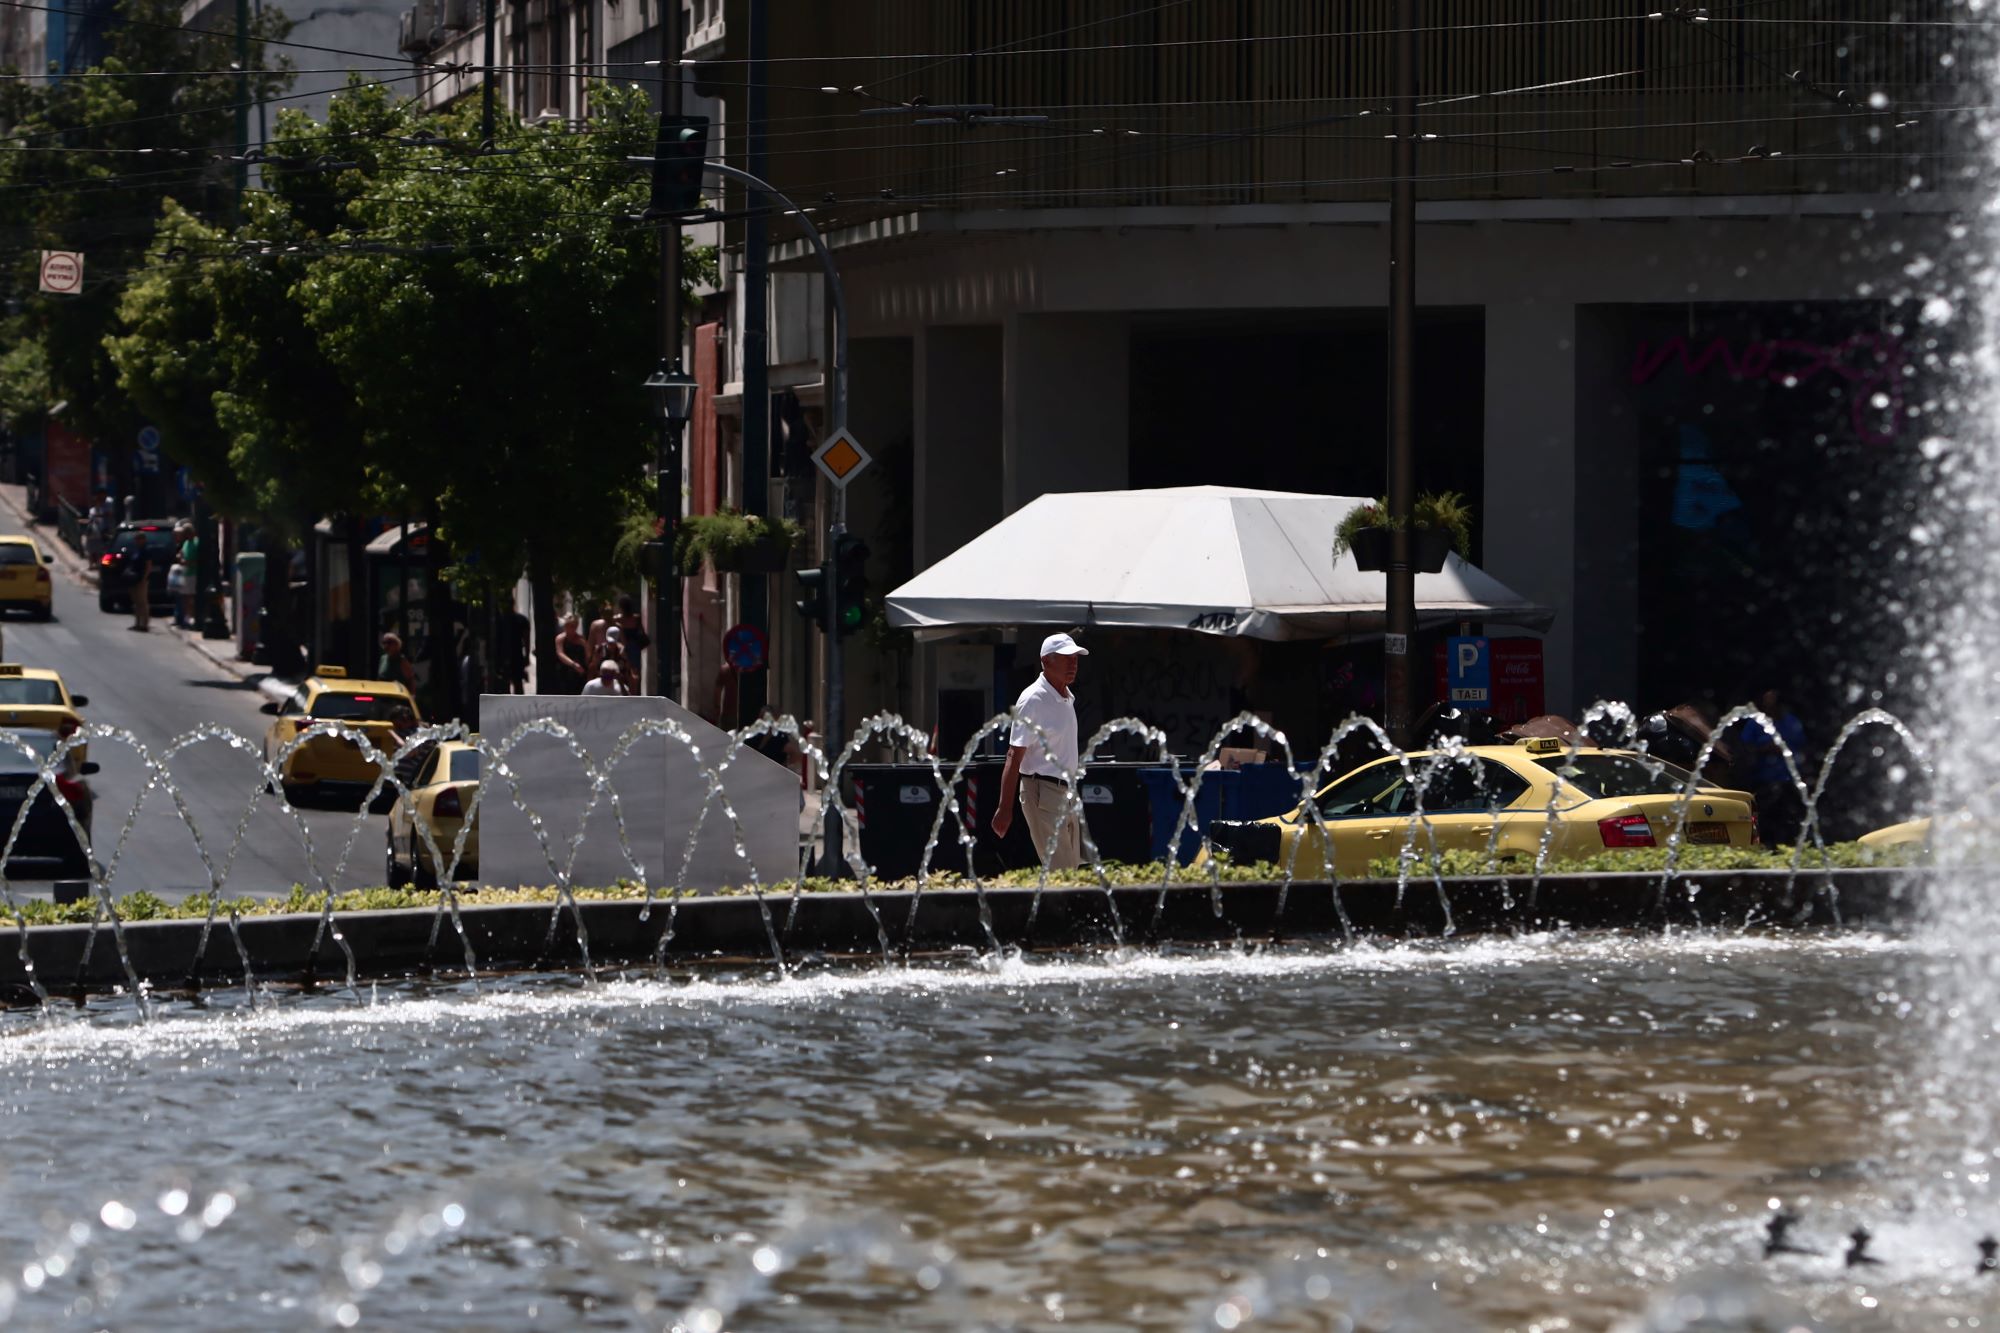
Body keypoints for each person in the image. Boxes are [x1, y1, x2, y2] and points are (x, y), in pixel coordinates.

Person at [992, 632, 1090, 870]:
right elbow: (1014, 755)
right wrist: (1005, 808)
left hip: (1066, 792)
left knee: (1073, 873)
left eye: (1075, 658)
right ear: (1046, 661)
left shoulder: (1066, 696)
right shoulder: (1033, 699)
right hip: (1042, 791)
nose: (1073, 664)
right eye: (1066, 658)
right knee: (1063, 875)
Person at [1740, 687, 1810, 843]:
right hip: (1763, 780)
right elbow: (1743, 749)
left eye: (1772, 703)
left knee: (1789, 819)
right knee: (1764, 818)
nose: (1768, 707)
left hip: (1787, 780)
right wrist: (1764, 749)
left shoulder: (1791, 722)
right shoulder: (1756, 723)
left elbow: (1802, 748)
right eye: (1766, 704)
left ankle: (1788, 847)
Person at [127, 541, 153, 632]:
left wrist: (144, 578)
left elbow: (149, 566)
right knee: (136, 602)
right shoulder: (136, 550)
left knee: (142, 602)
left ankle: (144, 624)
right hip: (134, 580)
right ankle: (137, 623)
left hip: (141, 580)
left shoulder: (146, 551)